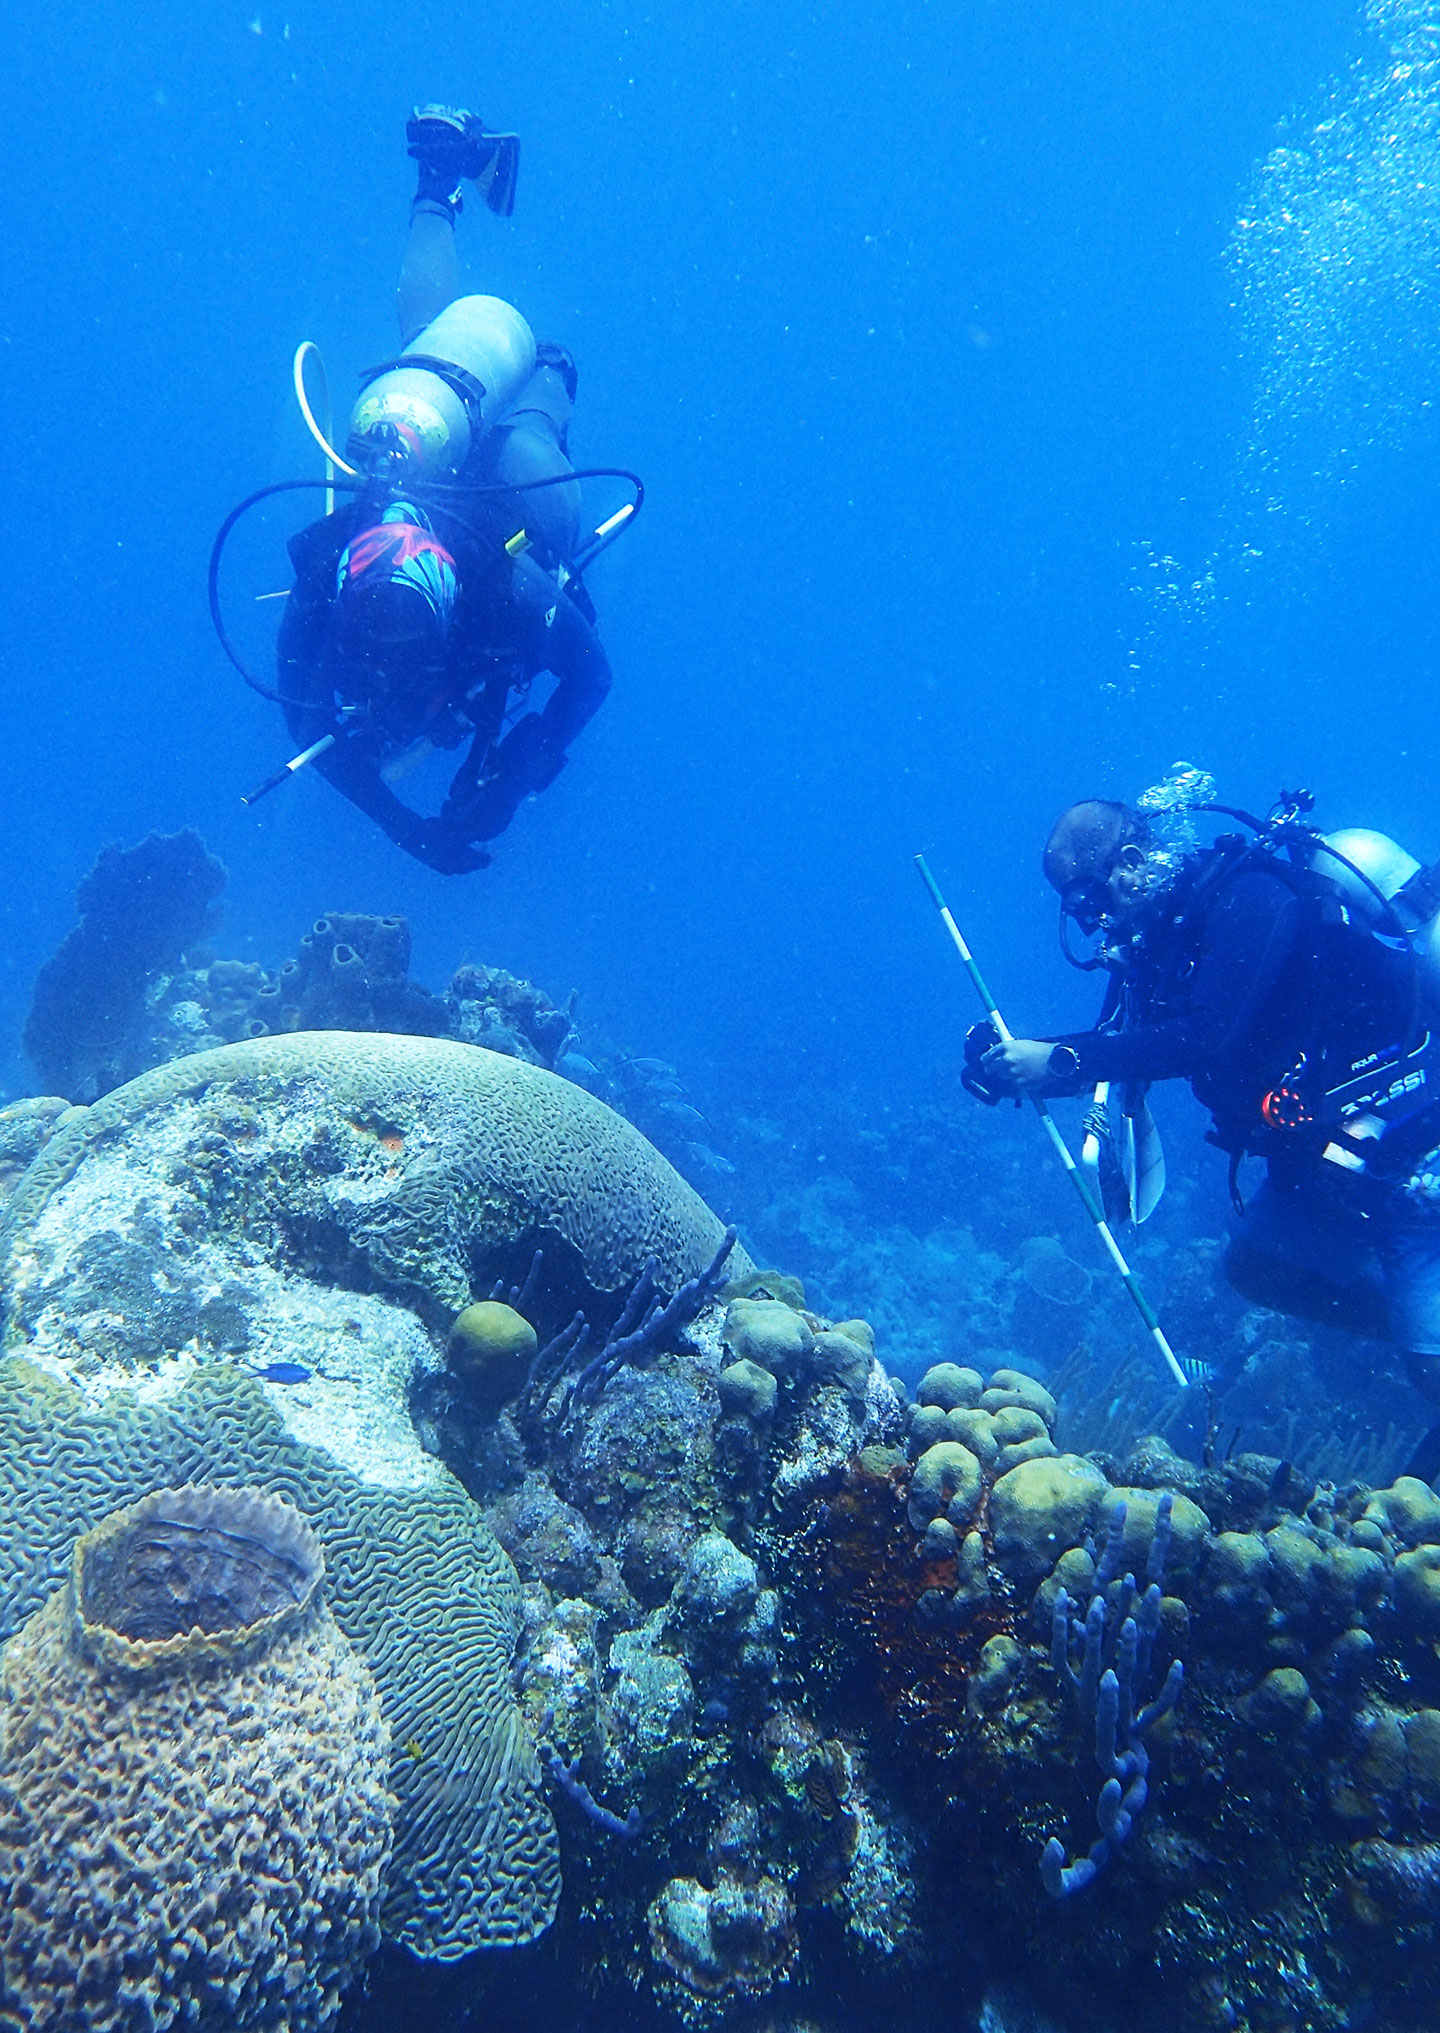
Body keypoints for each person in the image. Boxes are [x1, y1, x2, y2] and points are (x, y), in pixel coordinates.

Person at [962, 794, 1440, 1408]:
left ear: (1130, 862)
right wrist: (1012, 1064)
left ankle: (1420, 1334)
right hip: (1327, 1159)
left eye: (1087, 902)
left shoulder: (1249, 899)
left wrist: (1057, 1058)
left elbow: (1206, 1038)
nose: (1090, 925)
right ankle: (1407, 1327)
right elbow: (1126, 1051)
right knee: (1257, 1269)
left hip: (1409, 1140)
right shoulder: (1161, 945)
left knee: (1432, 1374)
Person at [276, 107, 614, 875]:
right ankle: (439, 176)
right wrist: (409, 826)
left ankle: (544, 368)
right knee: (426, 355)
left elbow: (592, 673)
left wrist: (513, 770)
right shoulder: (324, 596)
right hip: (423, 443)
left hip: (508, 506)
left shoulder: (510, 586)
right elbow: (303, 726)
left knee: (531, 449)